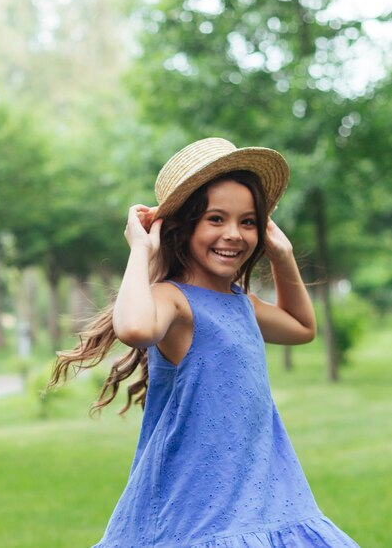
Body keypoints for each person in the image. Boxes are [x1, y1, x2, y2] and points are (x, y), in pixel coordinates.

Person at [50, 137, 360, 548]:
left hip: (266, 497)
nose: (233, 234)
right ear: (184, 225)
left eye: (248, 222)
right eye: (216, 219)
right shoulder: (173, 299)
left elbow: (302, 327)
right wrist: (140, 251)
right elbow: (135, 330)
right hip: (197, 510)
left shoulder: (241, 303)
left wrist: (282, 255)